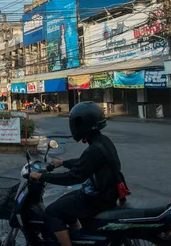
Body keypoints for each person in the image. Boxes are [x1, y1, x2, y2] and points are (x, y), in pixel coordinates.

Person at [30, 102, 121, 246]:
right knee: (64, 202)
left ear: (84, 124)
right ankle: (78, 238)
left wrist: (42, 176)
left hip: (97, 198)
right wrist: (64, 163)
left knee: (52, 212)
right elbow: (86, 162)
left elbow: (74, 177)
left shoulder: (94, 149)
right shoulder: (103, 141)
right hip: (104, 192)